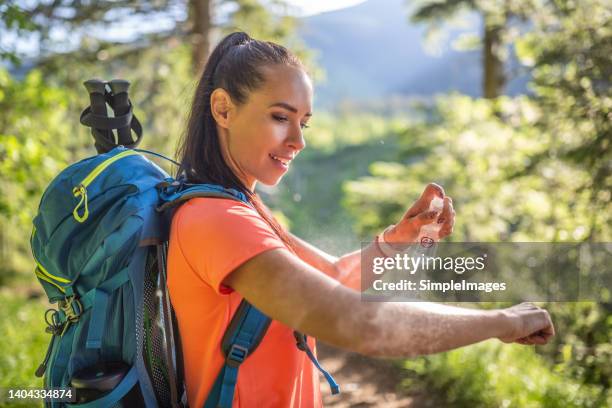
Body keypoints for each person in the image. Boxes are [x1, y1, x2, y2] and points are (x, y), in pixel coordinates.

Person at [167, 31, 555, 408]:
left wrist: (399, 239)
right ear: (223, 109)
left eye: (303, 123)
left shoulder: (241, 208)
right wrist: (503, 322)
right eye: (280, 117)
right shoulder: (219, 220)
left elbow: (334, 279)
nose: (298, 142)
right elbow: (360, 324)